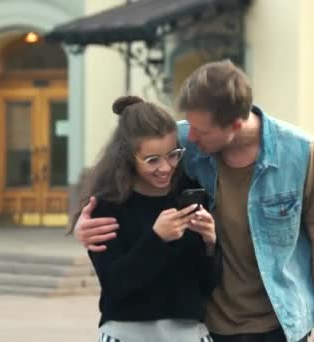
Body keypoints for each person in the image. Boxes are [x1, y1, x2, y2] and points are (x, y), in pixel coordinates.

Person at [74, 60, 314, 342]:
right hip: (209, 327)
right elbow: (126, 156)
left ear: (235, 125)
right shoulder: (178, 144)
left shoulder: (302, 155)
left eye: (200, 131)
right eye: (188, 125)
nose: (189, 137)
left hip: (284, 325)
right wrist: (84, 221)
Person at [72, 95, 223, 342]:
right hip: (127, 332)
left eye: (173, 155)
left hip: (188, 333)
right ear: (127, 156)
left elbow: (206, 285)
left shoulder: (189, 194)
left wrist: (210, 244)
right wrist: (156, 238)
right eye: (152, 160)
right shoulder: (107, 206)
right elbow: (115, 285)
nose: (165, 168)